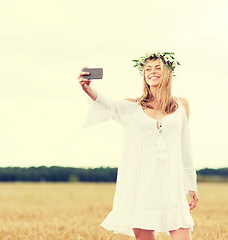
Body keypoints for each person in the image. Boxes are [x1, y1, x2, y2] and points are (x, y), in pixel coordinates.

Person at [78, 51, 199, 240]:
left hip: (171, 186)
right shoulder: (133, 106)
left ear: (169, 71)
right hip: (142, 188)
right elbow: (109, 106)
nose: (152, 72)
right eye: (148, 69)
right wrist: (88, 89)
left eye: (158, 67)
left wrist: (191, 184)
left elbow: (186, 146)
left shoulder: (182, 105)